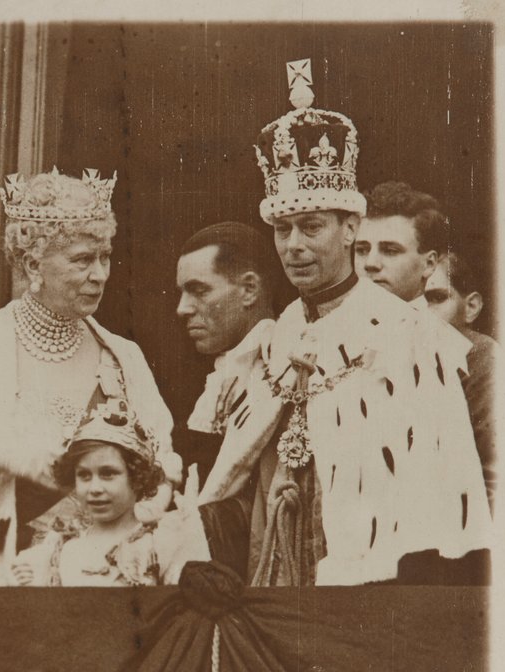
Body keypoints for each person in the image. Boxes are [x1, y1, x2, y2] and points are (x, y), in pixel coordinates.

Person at [197, 60, 489, 586]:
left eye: (311, 227)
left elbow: (438, 500)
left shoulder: (413, 337)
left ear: (351, 228)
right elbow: (238, 482)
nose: (294, 246)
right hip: (274, 571)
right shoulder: (270, 342)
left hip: (372, 585)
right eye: (283, 230)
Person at [0, 168, 178, 586]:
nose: (100, 274)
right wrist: (1, 455)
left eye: (105, 257)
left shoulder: (124, 359)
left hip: (98, 580)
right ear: (32, 263)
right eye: (82, 259)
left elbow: (158, 471)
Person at [11, 400, 208, 587]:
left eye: (108, 474)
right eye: (84, 476)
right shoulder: (59, 550)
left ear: (137, 478)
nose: (95, 488)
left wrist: (192, 536)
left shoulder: (159, 544)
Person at [174, 221, 280, 479]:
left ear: (249, 290)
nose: (182, 308)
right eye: (183, 293)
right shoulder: (226, 371)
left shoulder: (281, 370)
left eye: (199, 291)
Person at [425, 251, 497, 510]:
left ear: (471, 307)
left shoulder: (482, 359)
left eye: (436, 298)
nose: (421, 312)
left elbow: (496, 481)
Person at [353, 181, 446, 304]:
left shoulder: (432, 324)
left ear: (429, 264)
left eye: (390, 251)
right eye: (362, 250)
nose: (370, 263)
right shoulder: (333, 323)